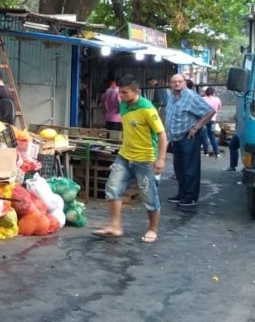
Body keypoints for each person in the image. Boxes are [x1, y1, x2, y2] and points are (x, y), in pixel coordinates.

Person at [92, 75, 167, 243]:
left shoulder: (147, 109)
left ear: (136, 91)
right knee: (112, 188)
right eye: (120, 92)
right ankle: (115, 226)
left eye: (125, 92)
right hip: (125, 156)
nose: (121, 96)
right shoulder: (124, 105)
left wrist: (161, 159)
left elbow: (162, 135)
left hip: (145, 159)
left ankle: (152, 229)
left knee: (149, 196)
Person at [164, 74, 215, 208]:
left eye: (180, 81)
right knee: (179, 168)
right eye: (174, 82)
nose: (177, 84)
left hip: (188, 137)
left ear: (185, 82)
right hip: (176, 138)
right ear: (170, 83)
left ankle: (191, 197)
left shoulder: (191, 97)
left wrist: (196, 127)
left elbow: (210, 112)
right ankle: (182, 193)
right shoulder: (171, 96)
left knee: (190, 168)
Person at [201, 87, 222, 157]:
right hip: (213, 120)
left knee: (205, 136)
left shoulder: (203, 99)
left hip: (204, 120)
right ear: (213, 92)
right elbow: (219, 108)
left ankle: (206, 152)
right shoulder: (217, 99)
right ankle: (217, 153)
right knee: (212, 136)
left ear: (206, 92)